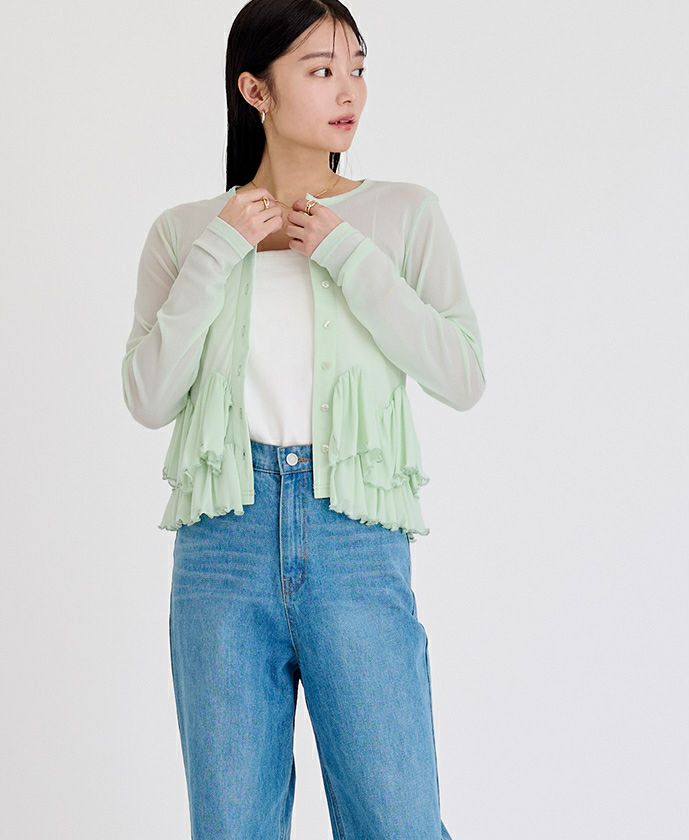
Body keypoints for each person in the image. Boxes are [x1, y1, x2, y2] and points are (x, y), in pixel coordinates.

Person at [121, 1, 486, 837]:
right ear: (255, 90)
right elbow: (147, 396)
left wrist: (349, 253)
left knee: (397, 821)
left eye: (357, 68)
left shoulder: (403, 213)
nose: (348, 90)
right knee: (232, 826)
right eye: (321, 70)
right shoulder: (185, 233)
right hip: (222, 545)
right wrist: (219, 252)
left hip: (355, 538)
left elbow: (461, 374)